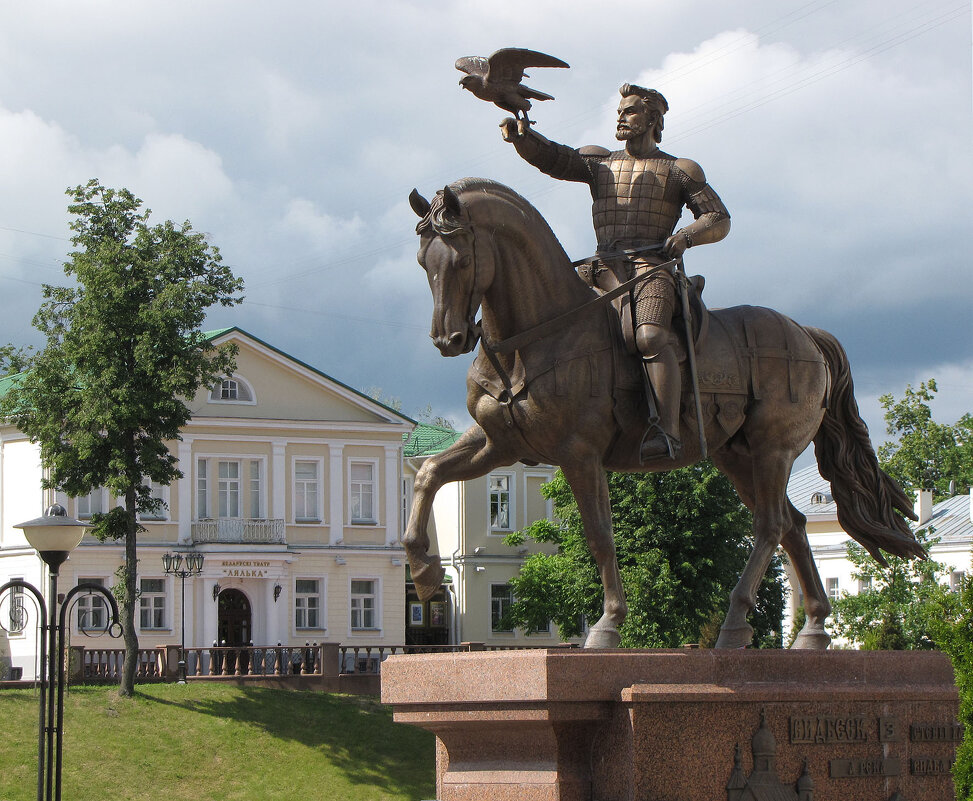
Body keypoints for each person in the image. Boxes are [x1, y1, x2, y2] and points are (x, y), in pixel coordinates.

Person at [500, 83, 730, 460]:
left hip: (650, 268)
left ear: (653, 119)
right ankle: (533, 417)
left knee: (651, 337)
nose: (621, 117)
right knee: (545, 323)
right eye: (620, 111)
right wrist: (524, 138)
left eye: (631, 111)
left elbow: (718, 218)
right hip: (599, 267)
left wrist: (687, 236)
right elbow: (555, 159)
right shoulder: (600, 162)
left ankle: (666, 432)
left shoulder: (678, 170)